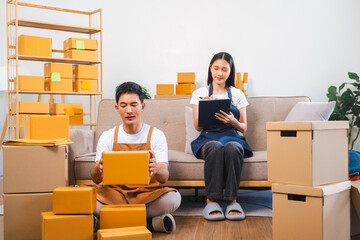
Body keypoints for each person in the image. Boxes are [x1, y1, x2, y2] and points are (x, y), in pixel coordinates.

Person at [91, 81, 181, 233]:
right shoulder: (108, 136)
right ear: (117, 108)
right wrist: (98, 168)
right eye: (123, 105)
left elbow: (164, 178)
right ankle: (149, 223)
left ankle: (109, 221)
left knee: (173, 198)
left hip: (146, 194)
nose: (129, 110)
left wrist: (157, 168)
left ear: (142, 107)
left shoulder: (156, 135)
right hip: (114, 194)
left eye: (134, 104)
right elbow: (95, 179)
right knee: (87, 199)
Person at [190, 52, 253, 221]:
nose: (220, 73)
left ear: (230, 71)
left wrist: (233, 121)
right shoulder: (199, 93)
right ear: (210, 69)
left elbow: (244, 127)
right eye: (216, 68)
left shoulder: (237, 94)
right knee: (215, 147)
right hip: (208, 138)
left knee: (233, 147)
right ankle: (211, 200)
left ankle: (232, 200)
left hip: (232, 136)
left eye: (224, 69)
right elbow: (197, 126)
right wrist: (204, 106)